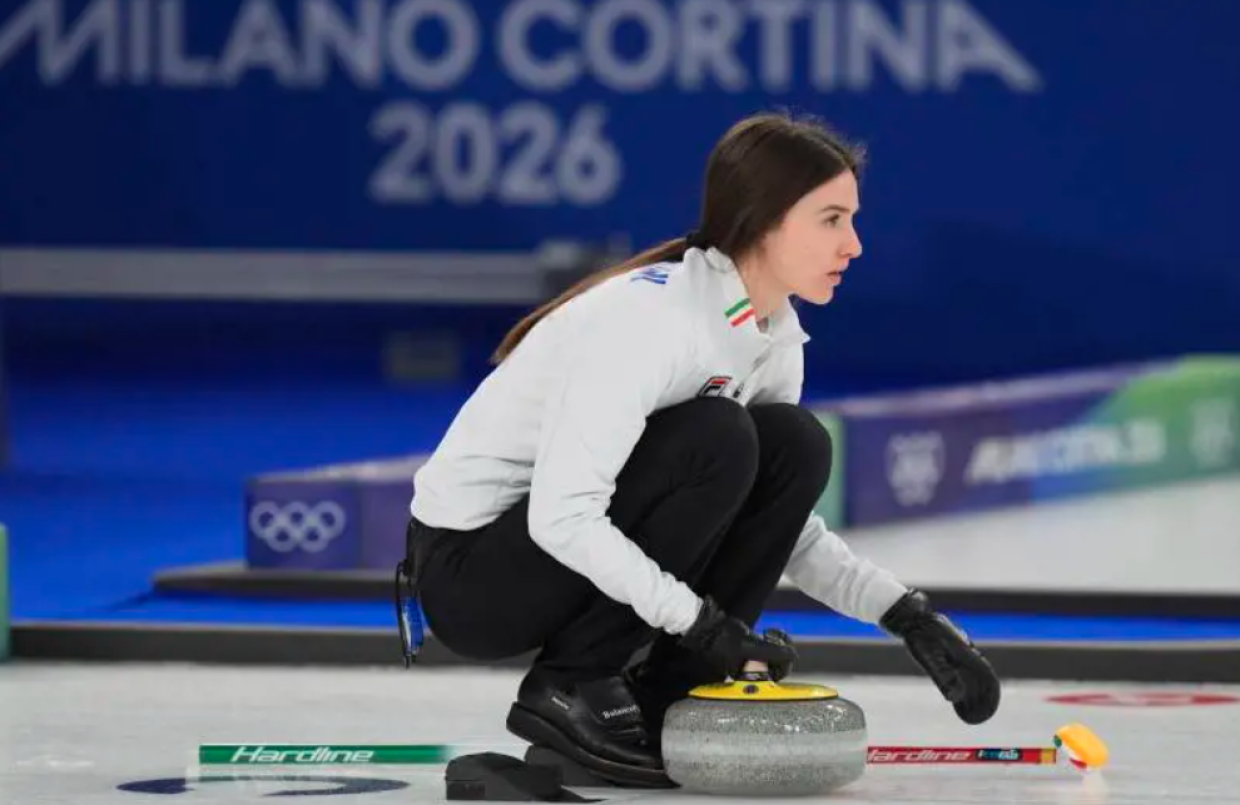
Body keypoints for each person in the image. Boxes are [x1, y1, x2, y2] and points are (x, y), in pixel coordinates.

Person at [397, 111, 1000, 787]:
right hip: (472, 577)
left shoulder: (770, 333)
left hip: (542, 554)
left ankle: (668, 690)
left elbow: (779, 523)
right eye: (832, 219)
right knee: (718, 438)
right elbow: (562, 517)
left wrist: (907, 614)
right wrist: (703, 623)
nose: (854, 244)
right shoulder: (654, 321)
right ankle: (572, 687)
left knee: (794, 446)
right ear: (764, 220)